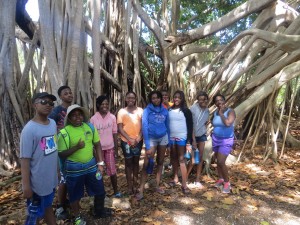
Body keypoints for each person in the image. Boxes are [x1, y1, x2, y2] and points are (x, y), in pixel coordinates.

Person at [57, 105, 111, 225]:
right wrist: (76, 147)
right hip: (74, 168)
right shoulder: (64, 133)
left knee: (100, 189)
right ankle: (77, 217)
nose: (78, 117)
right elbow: (61, 154)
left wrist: (101, 163)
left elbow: (97, 145)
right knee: (74, 194)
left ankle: (98, 211)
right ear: (69, 118)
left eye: (80, 114)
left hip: (91, 165)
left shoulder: (90, 127)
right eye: (74, 115)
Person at [20, 92, 58, 225]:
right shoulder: (29, 130)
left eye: (51, 103)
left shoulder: (52, 123)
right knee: (33, 216)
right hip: (37, 184)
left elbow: (53, 151)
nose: (48, 105)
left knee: (48, 207)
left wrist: (57, 172)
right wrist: (26, 186)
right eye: (44, 102)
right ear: (35, 105)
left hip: (50, 180)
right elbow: (25, 160)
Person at [136, 91, 169, 200]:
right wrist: (148, 145)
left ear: (161, 99)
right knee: (146, 164)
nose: (156, 100)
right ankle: (141, 189)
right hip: (151, 139)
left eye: (157, 98)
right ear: (151, 100)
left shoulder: (165, 111)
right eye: (153, 98)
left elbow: (167, 125)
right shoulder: (147, 111)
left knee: (160, 162)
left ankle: (157, 185)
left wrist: (168, 141)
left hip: (163, 138)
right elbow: (144, 126)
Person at [49, 85, 73, 219]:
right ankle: (59, 207)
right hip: (61, 150)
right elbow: (50, 129)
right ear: (60, 96)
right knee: (63, 178)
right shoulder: (56, 111)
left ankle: (65, 201)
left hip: (74, 149)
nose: (69, 95)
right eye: (66, 93)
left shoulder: (74, 109)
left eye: (70, 93)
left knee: (70, 176)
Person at [90, 95, 122, 198]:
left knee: (112, 171)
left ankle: (116, 190)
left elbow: (115, 133)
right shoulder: (93, 119)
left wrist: (116, 150)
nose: (105, 106)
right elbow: (91, 136)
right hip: (98, 150)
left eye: (106, 104)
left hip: (109, 148)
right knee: (99, 171)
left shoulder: (112, 117)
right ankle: (100, 192)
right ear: (98, 105)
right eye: (102, 104)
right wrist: (93, 151)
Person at [117, 91, 143, 195]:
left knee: (136, 162)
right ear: (126, 99)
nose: (131, 100)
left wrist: (137, 139)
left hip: (138, 141)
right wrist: (129, 139)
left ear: (135, 99)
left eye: (133, 98)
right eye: (129, 98)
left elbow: (143, 127)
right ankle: (129, 186)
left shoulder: (141, 111)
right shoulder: (121, 112)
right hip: (125, 142)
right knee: (128, 163)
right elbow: (120, 128)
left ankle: (135, 184)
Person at [168, 90, 193, 194]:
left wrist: (188, 142)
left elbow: (190, 127)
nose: (176, 99)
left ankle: (184, 184)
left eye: (179, 97)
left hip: (182, 137)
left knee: (182, 160)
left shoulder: (186, 111)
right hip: (171, 138)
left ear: (182, 99)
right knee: (173, 158)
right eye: (175, 97)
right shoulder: (169, 110)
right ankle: (175, 178)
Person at [212, 94, 236, 194]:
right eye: (217, 101)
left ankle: (227, 183)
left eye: (221, 100)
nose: (219, 102)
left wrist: (222, 113)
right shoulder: (215, 113)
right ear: (215, 103)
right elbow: (214, 124)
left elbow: (228, 123)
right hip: (216, 138)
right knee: (218, 161)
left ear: (224, 100)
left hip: (226, 140)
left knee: (221, 162)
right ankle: (221, 179)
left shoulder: (230, 111)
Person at [187, 91, 209, 189]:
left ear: (207, 100)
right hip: (193, 136)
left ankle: (197, 179)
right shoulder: (193, 108)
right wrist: (193, 139)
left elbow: (205, 122)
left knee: (200, 158)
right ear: (197, 100)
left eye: (204, 99)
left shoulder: (207, 110)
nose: (202, 101)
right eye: (200, 100)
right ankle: (185, 177)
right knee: (192, 159)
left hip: (202, 135)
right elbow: (190, 125)